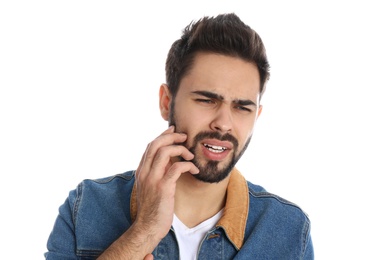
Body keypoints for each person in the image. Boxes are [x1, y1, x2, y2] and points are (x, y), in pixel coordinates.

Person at [45, 13, 314, 259]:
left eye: (242, 107)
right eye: (207, 100)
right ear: (166, 102)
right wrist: (144, 230)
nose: (224, 124)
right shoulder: (86, 208)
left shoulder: (289, 230)